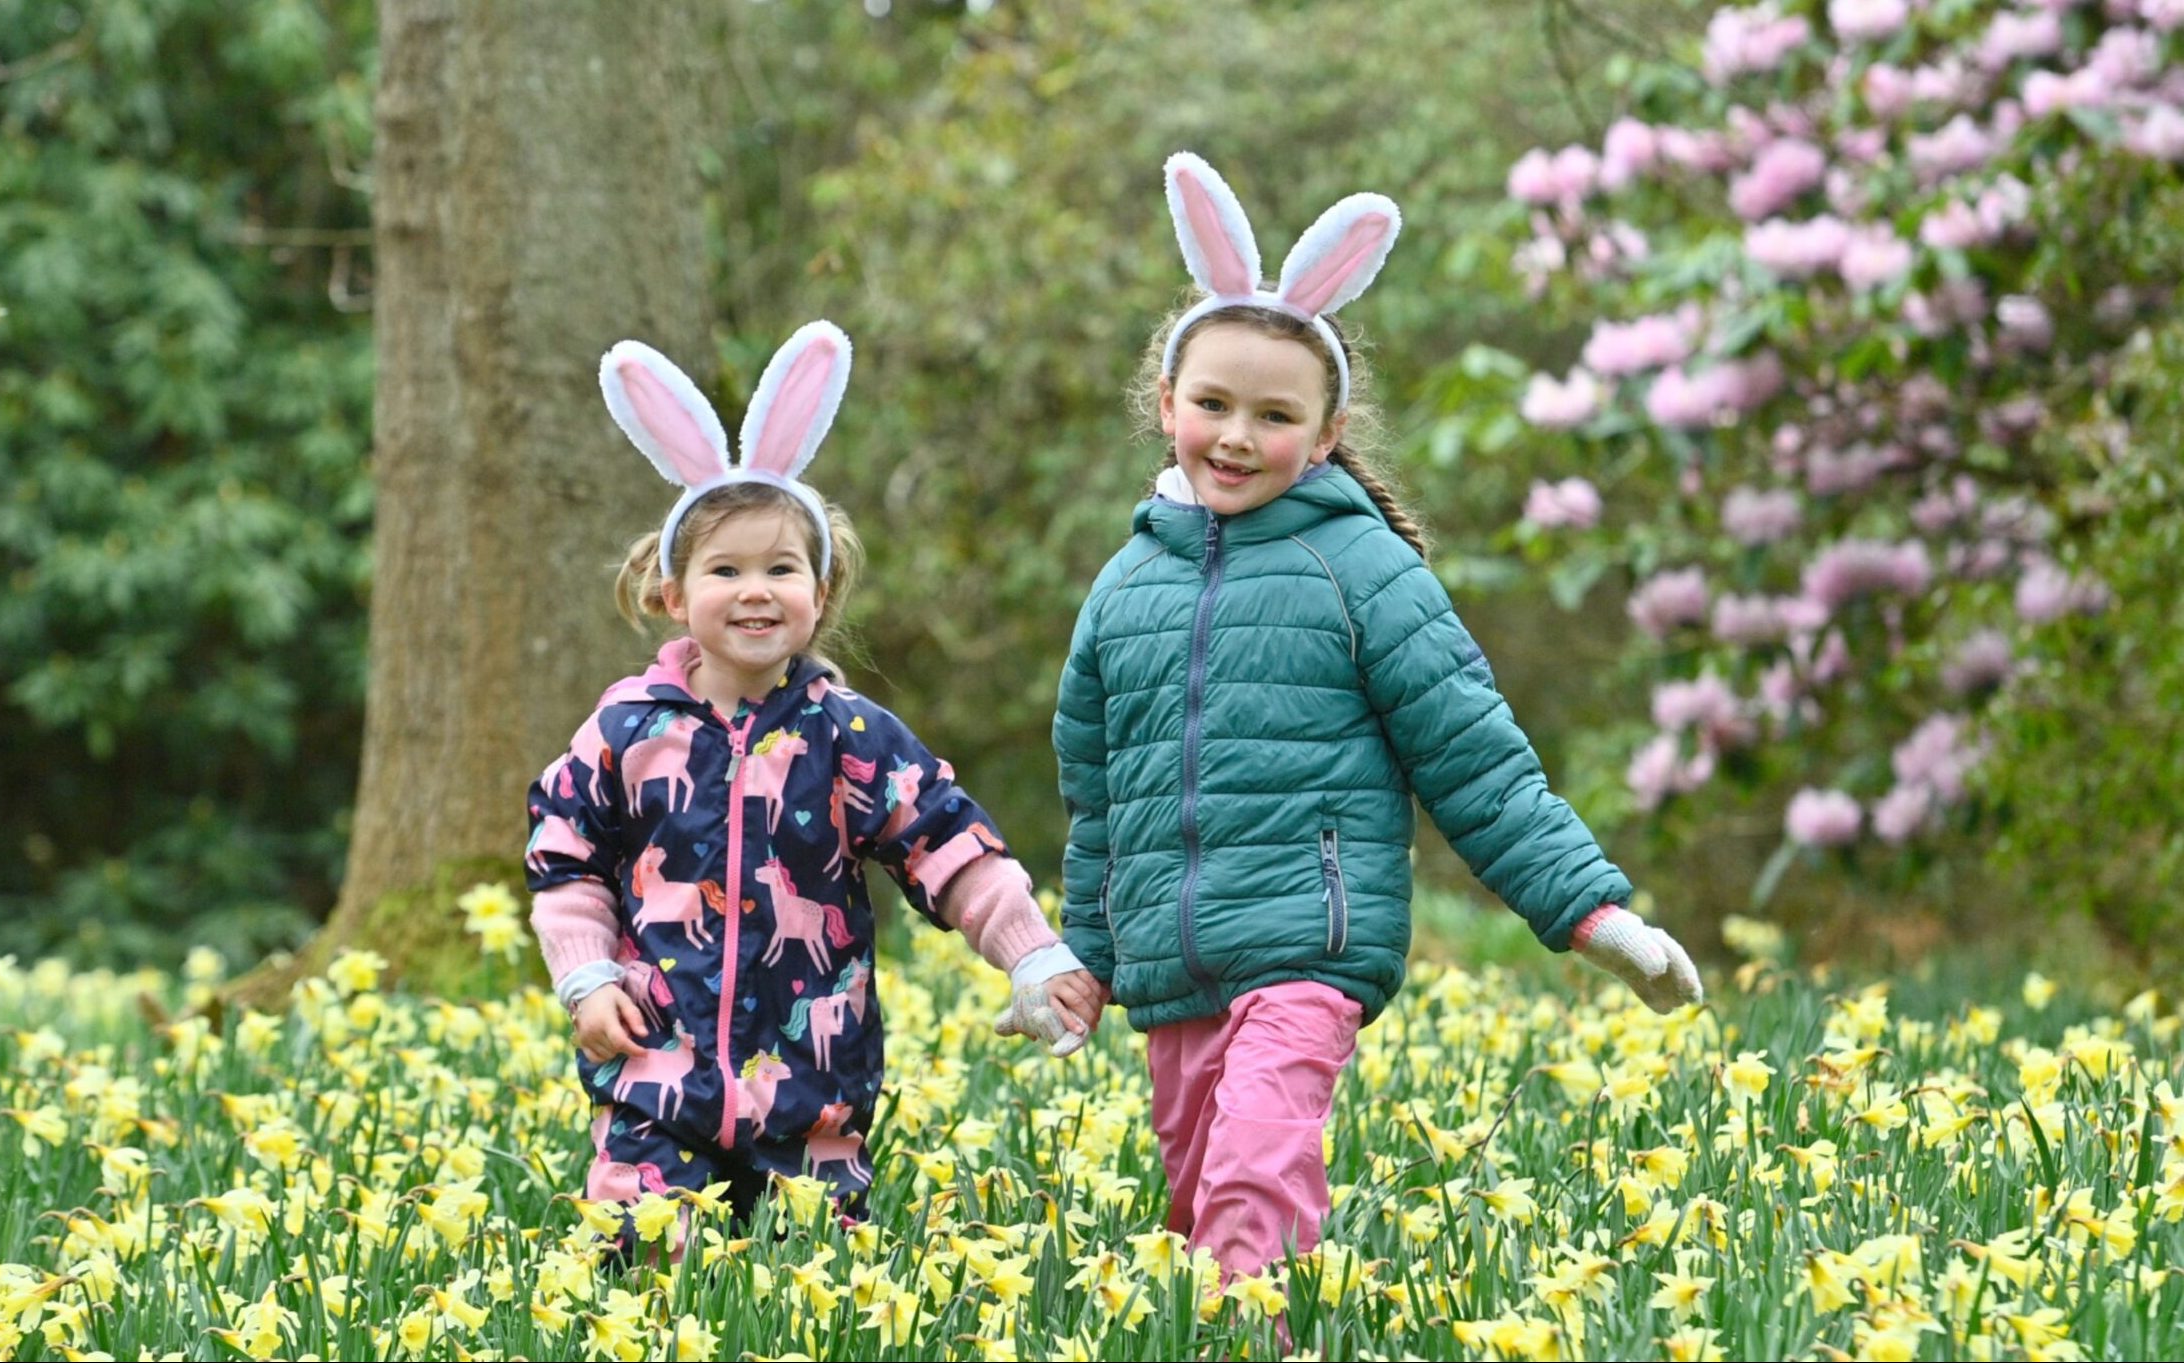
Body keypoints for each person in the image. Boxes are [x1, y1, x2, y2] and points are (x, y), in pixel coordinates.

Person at [1053, 153, 1702, 1283]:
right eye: (1211, 404)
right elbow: (1100, 799)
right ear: (1166, 407)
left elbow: (1476, 761)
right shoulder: (1123, 588)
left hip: (1310, 946)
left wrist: (1593, 916)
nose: (1237, 435)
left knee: (1254, 1175)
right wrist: (1085, 958)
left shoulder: (1361, 568)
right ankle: (1226, 1323)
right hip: (1171, 966)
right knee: (1194, 1196)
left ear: (1326, 425)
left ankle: (1248, 1340)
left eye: (1274, 413)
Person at [526, 322, 1104, 1245]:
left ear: (820, 592)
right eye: (725, 570)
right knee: (640, 1269)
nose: (755, 590)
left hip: (815, 1093)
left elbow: (951, 848)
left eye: (780, 568)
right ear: (674, 595)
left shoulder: (851, 735)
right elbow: (566, 861)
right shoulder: (627, 730)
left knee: (809, 1295)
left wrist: (1032, 952)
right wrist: (586, 977)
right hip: (653, 1077)